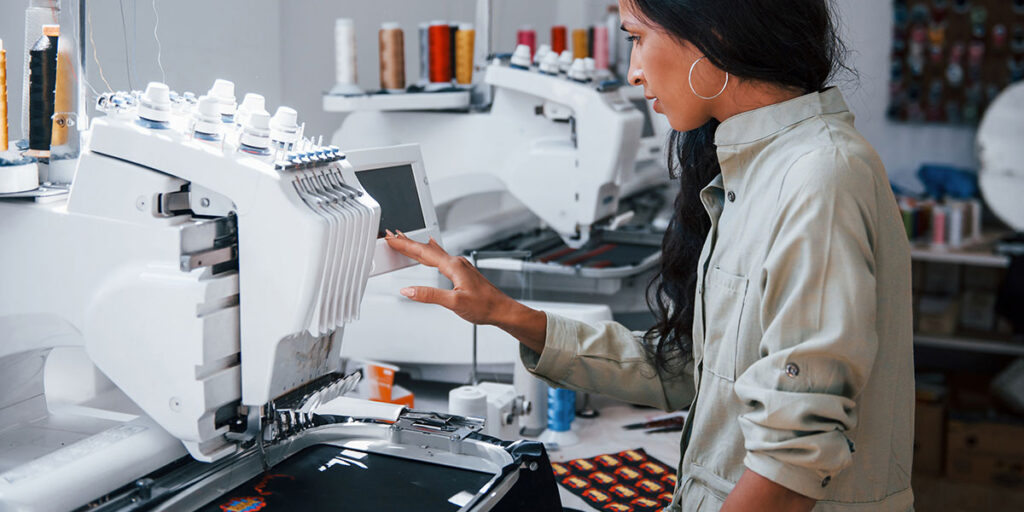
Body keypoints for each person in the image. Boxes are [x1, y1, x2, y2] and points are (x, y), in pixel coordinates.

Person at [384, 0, 915, 510]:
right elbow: (688, 371)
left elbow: (789, 469)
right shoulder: (755, 174)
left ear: (715, 31)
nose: (634, 72)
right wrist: (502, 311)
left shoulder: (818, 177)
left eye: (636, 39)